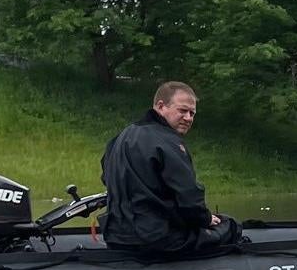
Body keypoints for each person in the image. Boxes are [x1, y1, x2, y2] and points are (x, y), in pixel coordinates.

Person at [99, 81, 242, 255]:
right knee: (230, 225)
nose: (188, 118)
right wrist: (205, 219)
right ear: (161, 106)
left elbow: (107, 178)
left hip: (116, 237)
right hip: (158, 239)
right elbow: (189, 197)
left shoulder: (119, 139)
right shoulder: (168, 142)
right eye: (182, 110)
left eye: (192, 113)